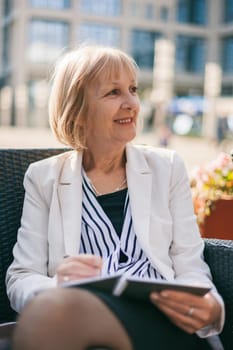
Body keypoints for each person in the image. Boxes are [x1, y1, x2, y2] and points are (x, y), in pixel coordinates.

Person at [6, 45, 224, 350]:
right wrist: (55, 286)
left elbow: (190, 264)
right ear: (77, 110)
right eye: (113, 92)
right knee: (53, 311)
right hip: (81, 316)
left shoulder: (167, 167)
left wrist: (212, 307)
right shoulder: (43, 178)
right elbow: (21, 277)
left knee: (52, 314)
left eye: (133, 90)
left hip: (166, 321)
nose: (132, 103)